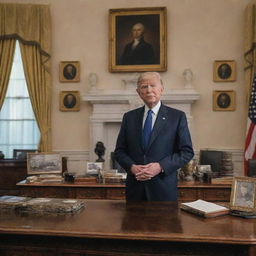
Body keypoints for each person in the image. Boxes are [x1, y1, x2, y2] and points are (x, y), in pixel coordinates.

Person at [114, 72, 194, 201]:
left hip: (163, 190)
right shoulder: (129, 117)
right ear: (138, 92)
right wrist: (132, 167)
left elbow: (186, 152)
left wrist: (160, 166)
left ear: (161, 89)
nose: (149, 90)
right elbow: (120, 151)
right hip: (135, 189)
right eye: (144, 87)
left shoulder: (177, 117)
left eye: (153, 85)